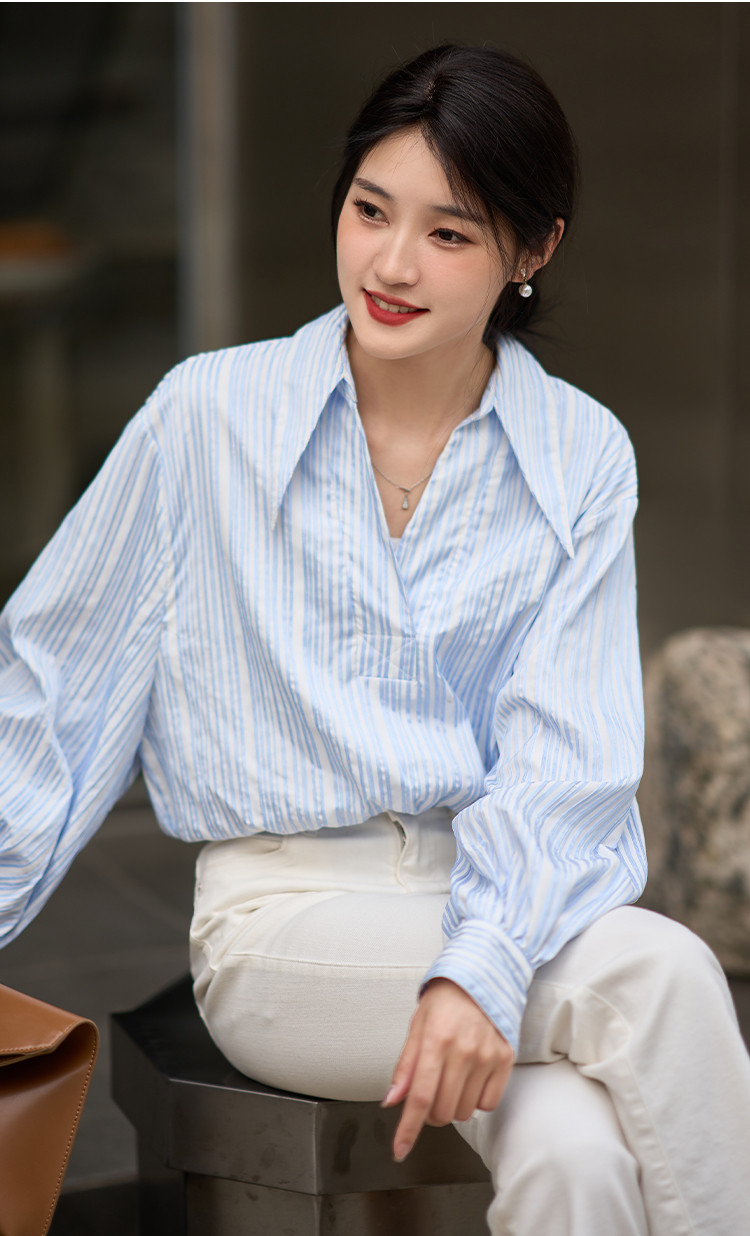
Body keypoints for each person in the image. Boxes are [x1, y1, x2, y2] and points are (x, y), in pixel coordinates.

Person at [1, 43, 749, 1235]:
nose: (392, 265)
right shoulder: (208, 418)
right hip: (286, 926)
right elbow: (51, 700)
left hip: (500, 900)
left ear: (531, 251)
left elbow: (565, 759)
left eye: (449, 233)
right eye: (369, 211)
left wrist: (479, 961)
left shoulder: (580, 454)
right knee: (661, 973)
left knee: (579, 1158)